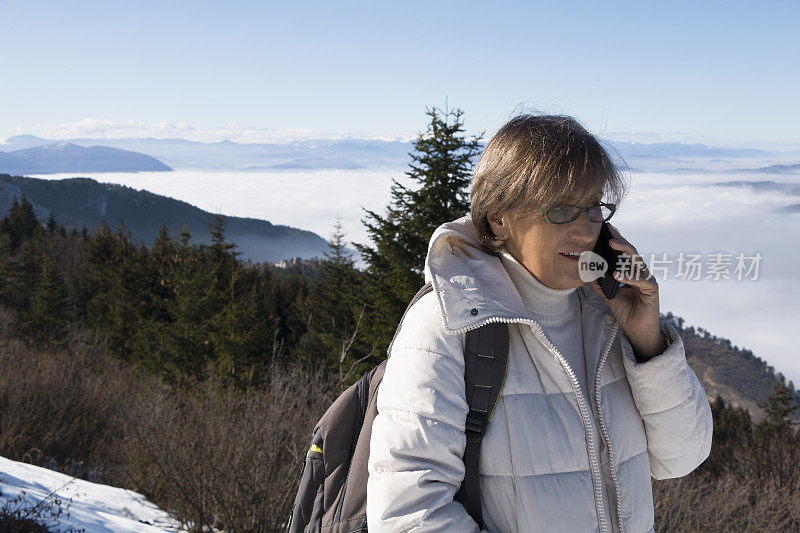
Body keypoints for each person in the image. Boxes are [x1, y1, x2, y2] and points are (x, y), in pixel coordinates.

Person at [366, 115, 713, 532]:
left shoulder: (607, 313)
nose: (586, 230)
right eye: (561, 209)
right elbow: (407, 516)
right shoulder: (448, 325)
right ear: (499, 217)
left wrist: (648, 345)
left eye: (594, 208)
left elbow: (681, 457)